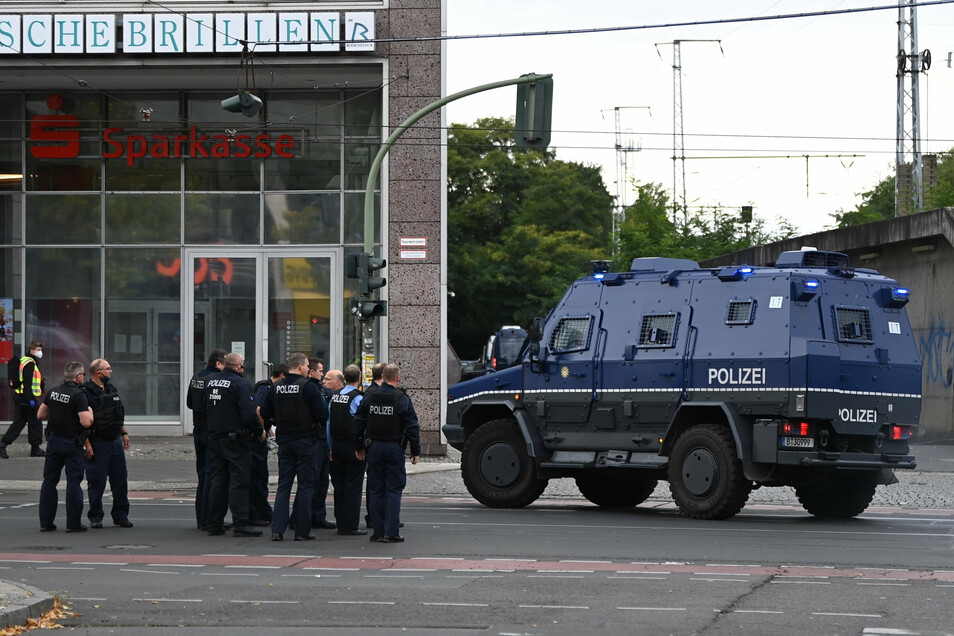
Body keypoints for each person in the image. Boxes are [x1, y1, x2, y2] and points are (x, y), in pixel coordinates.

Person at [261, 352, 328, 542]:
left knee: (284, 485)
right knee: (306, 485)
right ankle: (302, 531)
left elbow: (265, 412)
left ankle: (277, 529)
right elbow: (323, 414)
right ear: (300, 367)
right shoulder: (308, 387)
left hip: (285, 441)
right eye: (307, 366)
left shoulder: (276, 387)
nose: (308, 369)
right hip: (306, 441)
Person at [355, 363, 420, 543]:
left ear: (383, 377)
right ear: (397, 378)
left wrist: (358, 445)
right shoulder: (401, 398)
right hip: (394, 448)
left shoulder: (369, 396)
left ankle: (377, 531)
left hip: (374, 447)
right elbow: (412, 427)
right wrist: (416, 450)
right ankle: (391, 532)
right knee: (393, 489)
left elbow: (359, 422)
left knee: (376, 489)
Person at [204, 352, 263, 538]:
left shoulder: (210, 381)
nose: (243, 369)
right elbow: (248, 413)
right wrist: (258, 430)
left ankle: (214, 523)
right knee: (239, 481)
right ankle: (240, 523)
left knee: (218, 480)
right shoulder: (240, 383)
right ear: (238, 366)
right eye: (243, 366)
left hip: (214, 436)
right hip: (235, 439)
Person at [36, 361, 93, 532]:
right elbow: (86, 422)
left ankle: (46, 522)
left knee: (49, 481)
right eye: (83, 374)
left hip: (54, 442)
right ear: (77, 377)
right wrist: (90, 411)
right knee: (73, 482)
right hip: (72, 443)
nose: (84, 377)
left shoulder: (53, 392)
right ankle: (73, 523)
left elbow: (40, 415)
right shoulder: (79, 395)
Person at [82, 358, 132, 529]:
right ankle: (96, 516)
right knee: (97, 482)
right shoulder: (86, 392)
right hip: (98, 442)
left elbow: (118, 414)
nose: (110, 372)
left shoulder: (111, 388)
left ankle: (121, 515)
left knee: (120, 481)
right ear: (98, 372)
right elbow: (81, 423)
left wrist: (124, 433)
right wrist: (87, 444)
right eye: (108, 369)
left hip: (115, 441)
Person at [186, 348, 226, 531]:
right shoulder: (215, 380)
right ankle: (209, 518)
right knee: (212, 474)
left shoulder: (197, 377)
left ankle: (200, 518)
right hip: (211, 431)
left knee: (202, 475)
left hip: (198, 429)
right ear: (218, 363)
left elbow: (189, 403)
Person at [326, 366, 367, 536]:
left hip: (337, 446)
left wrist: (330, 447)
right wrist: (361, 447)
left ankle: (341, 520)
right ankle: (350, 525)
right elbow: (362, 426)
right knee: (353, 486)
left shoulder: (335, 398)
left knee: (339, 485)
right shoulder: (358, 399)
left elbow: (329, 425)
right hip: (352, 447)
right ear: (359, 377)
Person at [250, 363, 288, 526]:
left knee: (259, 476)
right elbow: (258, 411)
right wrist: (262, 431)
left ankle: (261, 512)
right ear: (282, 377)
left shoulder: (264, 386)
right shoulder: (267, 389)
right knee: (258, 476)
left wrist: (268, 429)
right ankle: (260, 513)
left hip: (257, 435)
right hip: (256, 439)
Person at [299, 356, 335, 530]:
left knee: (321, 479)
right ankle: (305, 516)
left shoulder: (320, 389)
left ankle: (317, 515)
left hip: (321, 438)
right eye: (321, 371)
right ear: (311, 371)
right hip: (314, 438)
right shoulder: (310, 388)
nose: (322, 375)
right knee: (312, 480)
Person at [1, 340, 46, 459]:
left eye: (41, 350)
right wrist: (30, 400)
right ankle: (35, 448)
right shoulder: (30, 363)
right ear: (32, 350)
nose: (40, 352)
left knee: (19, 423)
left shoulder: (25, 360)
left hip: (21, 397)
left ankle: (3, 444)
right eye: (38, 350)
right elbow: (27, 383)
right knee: (35, 422)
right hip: (26, 398)